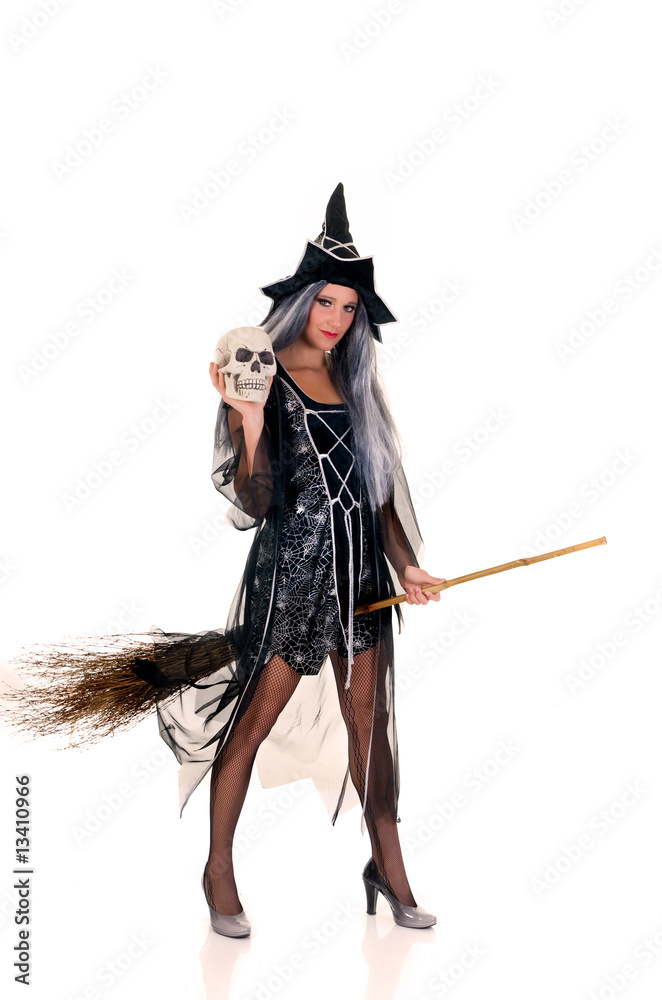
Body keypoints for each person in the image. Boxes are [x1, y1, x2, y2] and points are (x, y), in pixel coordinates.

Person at [2, 183, 446, 938]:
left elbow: (376, 497)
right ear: (301, 301)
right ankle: (217, 869)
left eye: (349, 308)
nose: (336, 319)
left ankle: (389, 866)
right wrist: (247, 418)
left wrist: (407, 566)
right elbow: (256, 499)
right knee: (250, 722)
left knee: (371, 730)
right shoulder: (261, 375)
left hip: (361, 581)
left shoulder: (357, 383)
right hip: (292, 581)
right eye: (326, 302)